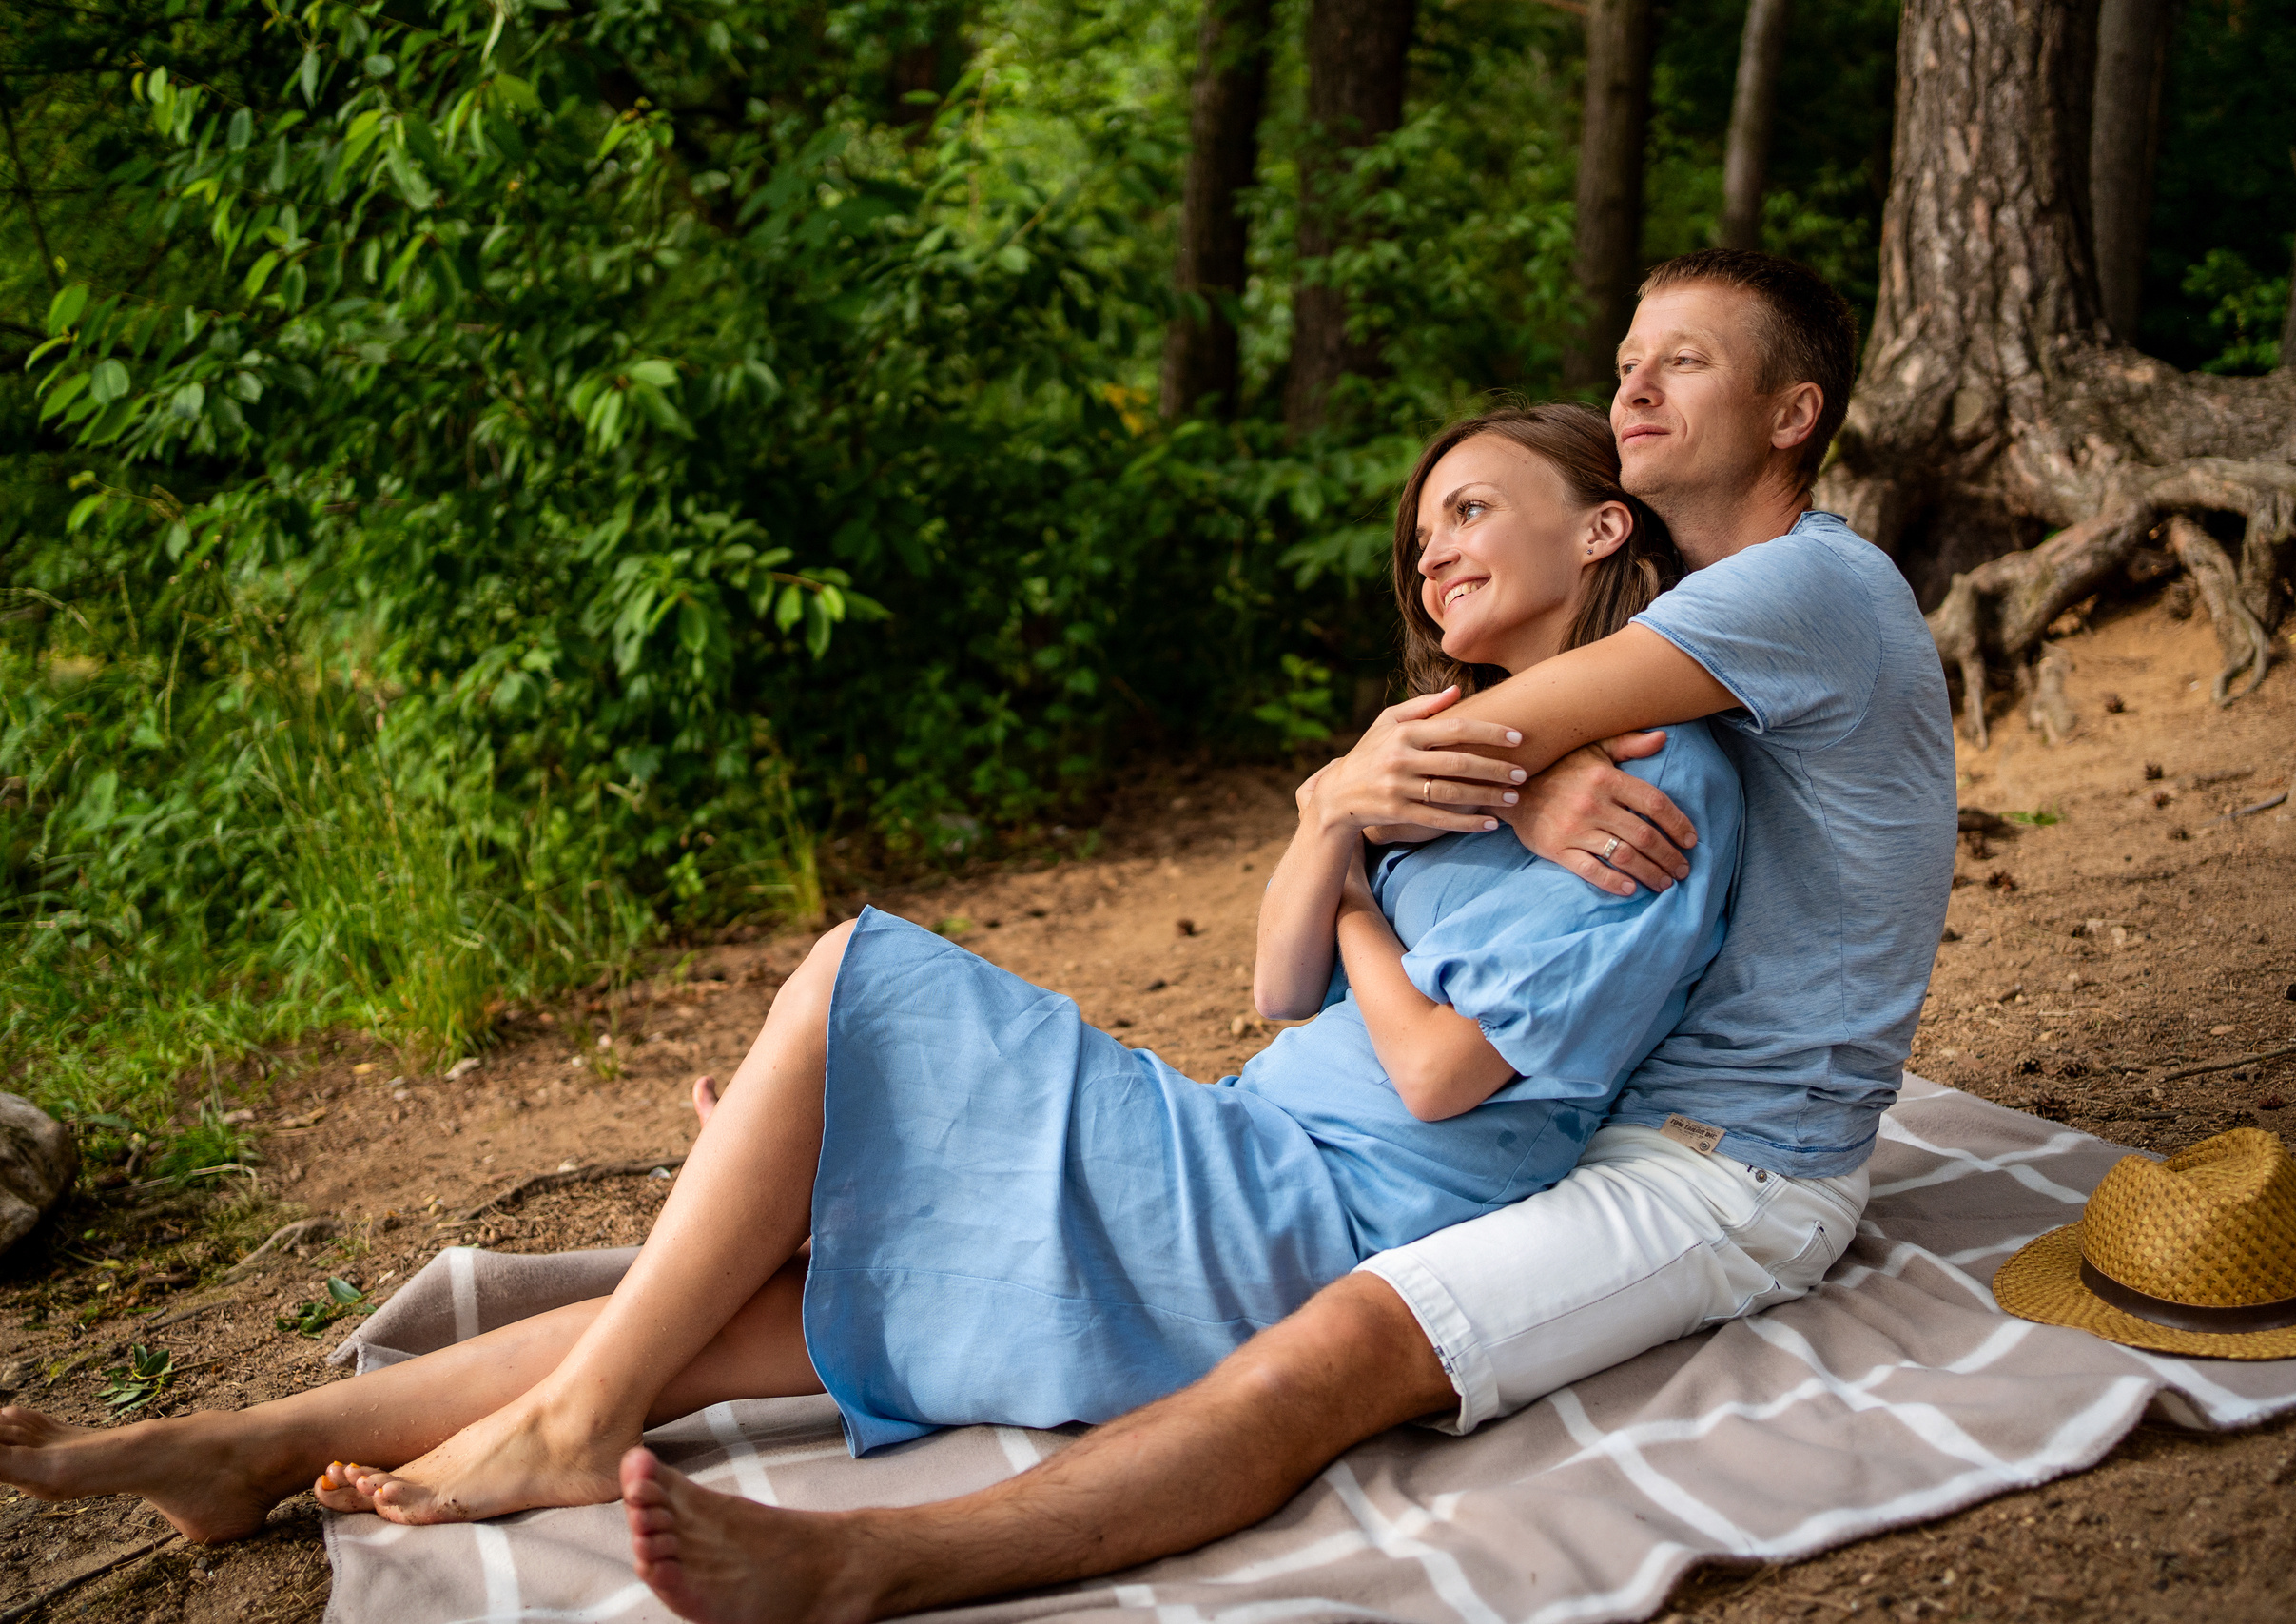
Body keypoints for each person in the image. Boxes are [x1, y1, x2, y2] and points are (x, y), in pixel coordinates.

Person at [0, 409, 1746, 1541]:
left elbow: (1438, 1076)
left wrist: (1358, 877)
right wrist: (1332, 819)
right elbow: (1282, 986)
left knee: (859, 975)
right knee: (756, 1310)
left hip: (1322, 1230)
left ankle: (575, 1415)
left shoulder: (1662, 776)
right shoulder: (1446, 736)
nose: (1430, 548)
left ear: (1604, 531)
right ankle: (256, 1443)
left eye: (1469, 510)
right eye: (1419, 529)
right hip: (1239, 1148)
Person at [607, 247, 1958, 1622]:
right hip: (1600, 1103)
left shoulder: (1803, 589)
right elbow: (1485, 742)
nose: (1633, 388)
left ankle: (870, 1561)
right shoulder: (1693, 615)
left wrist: (1420, 779)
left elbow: (1465, 742)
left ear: (1792, 416)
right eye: (1626, 361)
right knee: (843, 1254)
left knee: (1337, 1354)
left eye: (1684, 361)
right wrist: (1494, 774)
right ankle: (431, 1414)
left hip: (1731, 1164)